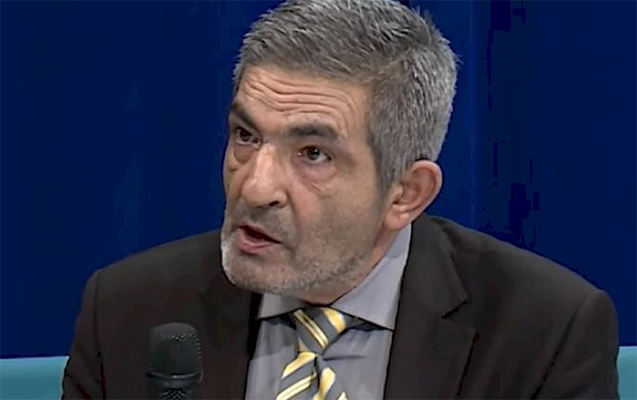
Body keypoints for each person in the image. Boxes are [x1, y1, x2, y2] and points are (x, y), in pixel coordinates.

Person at [62, 0, 619, 398]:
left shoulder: (543, 333)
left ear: (406, 193)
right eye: (246, 136)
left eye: (313, 154)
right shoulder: (127, 310)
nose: (255, 187)